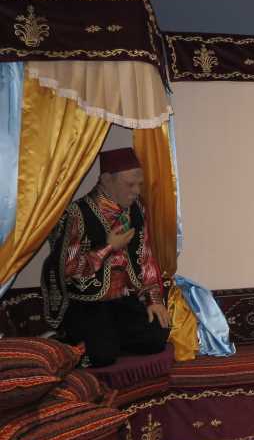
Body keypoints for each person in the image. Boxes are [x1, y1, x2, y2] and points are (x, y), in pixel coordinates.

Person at [42, 147, 170, 367]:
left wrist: (154, 300)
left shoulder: (137, 210)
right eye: (130, 185)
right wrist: (108, 247)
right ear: (106, 180)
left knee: (157, 336)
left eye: (139, 184)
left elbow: (145, 257)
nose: (136, 191)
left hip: (123, 300)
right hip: (88, 302)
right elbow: (68, 269)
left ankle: (107, 338)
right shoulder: (78, 213)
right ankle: (70, 340)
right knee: (102, 356)